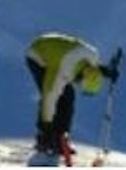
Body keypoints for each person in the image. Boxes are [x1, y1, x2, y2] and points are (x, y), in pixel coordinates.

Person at [24, 31, 116, 162]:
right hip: (37, 55)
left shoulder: (93, 56)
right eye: (79, 82)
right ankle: (44, 139)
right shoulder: (60, 73)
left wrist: (106, 72)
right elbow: (48, 98)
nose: (77, 84)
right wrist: (47, 126)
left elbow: (92, 68)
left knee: (68, 96)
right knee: (57, 97)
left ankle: (61, 138)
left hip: (59, 51)